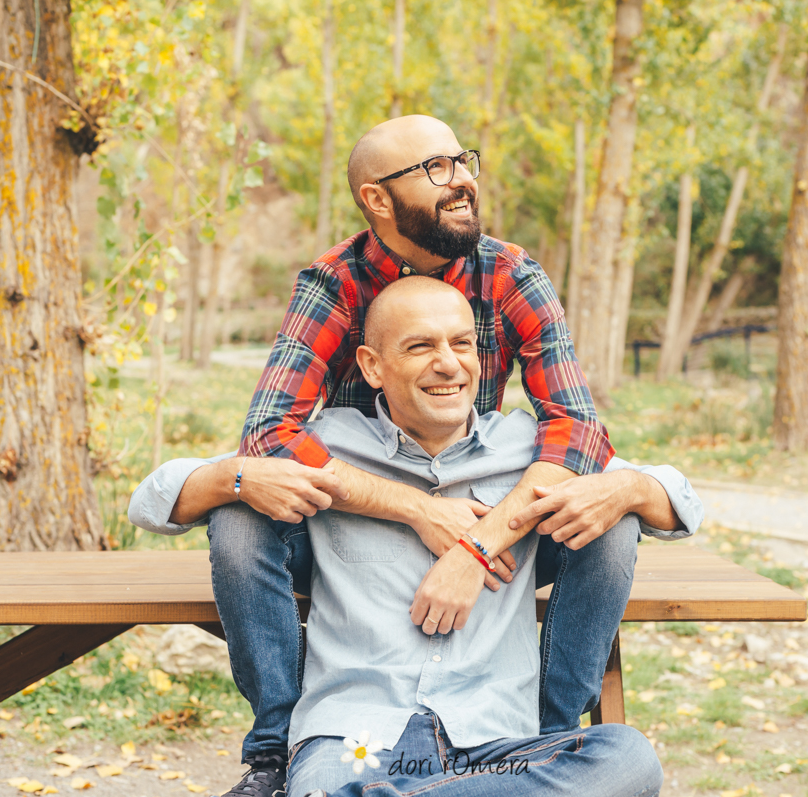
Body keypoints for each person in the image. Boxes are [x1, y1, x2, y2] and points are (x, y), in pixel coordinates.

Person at [130, 114, 698, 797]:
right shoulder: (333, 335)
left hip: (493, 736)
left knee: (627, 753)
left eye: (462, 161)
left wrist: (481, 543)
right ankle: (276, 756)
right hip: (365, 726)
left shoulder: (517, 391)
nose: (461, 179)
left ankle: (543, 730)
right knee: (243, 512)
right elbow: (265, 437)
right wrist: (417, 510)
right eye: (436, 169)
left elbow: (581, 434)